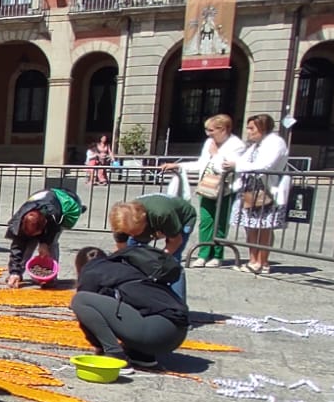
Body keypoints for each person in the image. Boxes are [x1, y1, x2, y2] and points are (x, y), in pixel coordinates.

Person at [71, 240, 188, 370]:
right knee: (129, 304)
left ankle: (115, 356)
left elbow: (87, 318)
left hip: (156, 331)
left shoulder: (91, 272)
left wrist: (100, 345)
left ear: (80, 267)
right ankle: (141, 356)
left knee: (80, 300)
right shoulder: (124, 267)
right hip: (177, 334)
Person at [160, 113, 243, 266]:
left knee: (220, 222)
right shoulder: (209, 142)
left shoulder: (236, 145)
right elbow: (201, 163)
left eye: (211, 130)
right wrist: (179, 166)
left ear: (223, 129)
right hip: (207, 186)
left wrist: (216, 155)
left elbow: (224, 167)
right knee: (206, 220)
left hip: (226, 188)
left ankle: (217, 255)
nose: (208, 134)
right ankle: (203, 254)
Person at [226, 113, 291, 276]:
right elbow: (245, 162)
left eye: (251, 128)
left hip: (267, 190)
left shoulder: (276, 143)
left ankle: (263, 262)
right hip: (250, 189)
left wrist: (237, 164)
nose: (248, 131)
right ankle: (253, 260)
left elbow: (266, 165)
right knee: (250, 226)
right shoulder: (255, 146)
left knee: (264, 227)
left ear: (262, 127)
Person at [112, 195, 196, 302]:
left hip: (183, 219)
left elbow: (176, 241)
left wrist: (160, 260)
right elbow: (122, 250)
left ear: (143, 220)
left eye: (134, 231)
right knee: (131, 259)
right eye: (129, 233)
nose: (132, 235)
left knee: (172, 264)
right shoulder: (121, 223)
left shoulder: (162, 214)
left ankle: (178, 305)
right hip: (152, 222)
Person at [3, 187, 81, 287]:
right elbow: (17, 248)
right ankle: (17, 274)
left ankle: (51, 276)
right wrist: (14, 271)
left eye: (37, 233)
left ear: (44, 224)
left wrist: (45, 243)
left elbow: (51, 233)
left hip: (67, 204)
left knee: (51, 244)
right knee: (28, 243)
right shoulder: (17, 223)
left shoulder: (53, 216)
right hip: (43, 202)